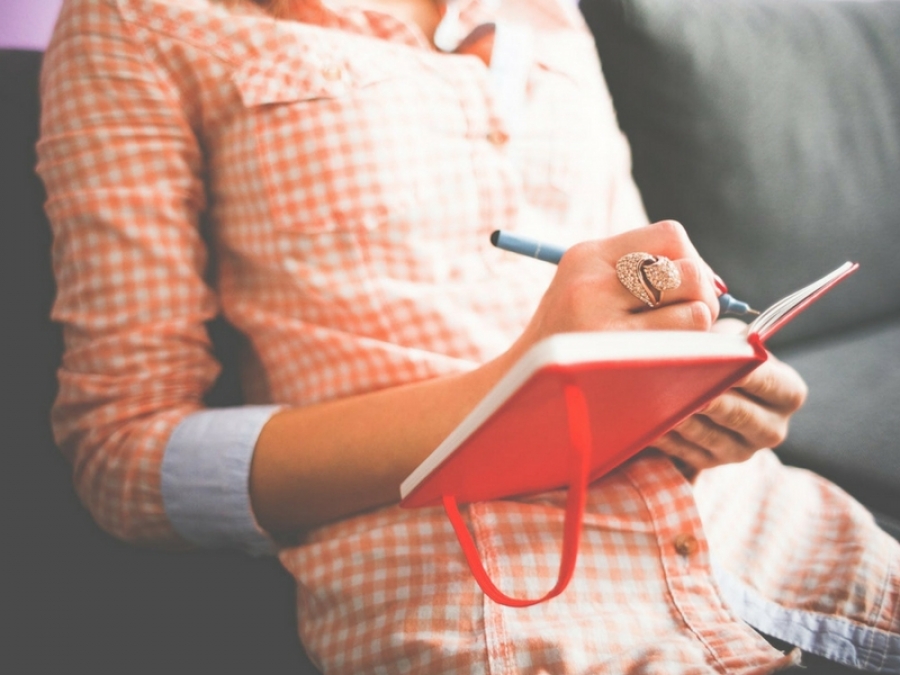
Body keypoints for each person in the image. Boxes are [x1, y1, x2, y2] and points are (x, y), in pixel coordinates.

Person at [37, 0, 899, 672]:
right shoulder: (140, 21)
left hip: (761, 525)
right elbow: (123, 456)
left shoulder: (546, 13)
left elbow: (636, 275)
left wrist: (701, 369)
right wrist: (519, 387)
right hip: (498, 594)